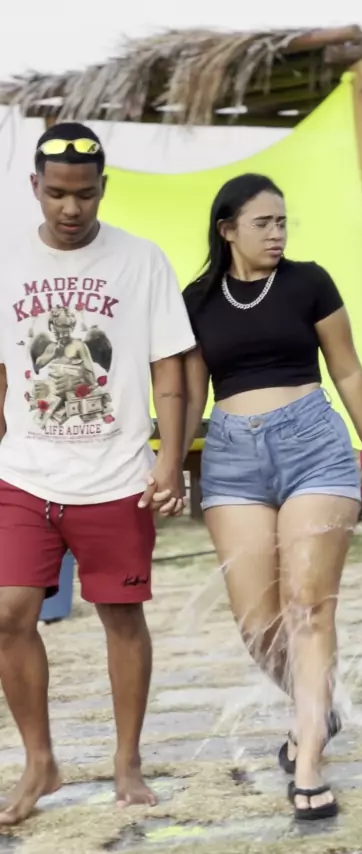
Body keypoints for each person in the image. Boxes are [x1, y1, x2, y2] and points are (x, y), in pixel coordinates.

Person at [0, 122, 195, 824]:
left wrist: (170, 459)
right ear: (35, 187)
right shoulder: (6, 258)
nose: (71, 208)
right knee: (7, 613)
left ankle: (127, 760)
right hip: (25, 474)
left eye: (84, 194)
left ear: (102, 189)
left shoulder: (142, 260)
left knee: (121, 616)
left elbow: (168, 367)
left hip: (116, 475)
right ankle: (40, 760)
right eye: (57, 193)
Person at [177, 173, 362, 821]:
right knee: (257, 624)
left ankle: (310, 759)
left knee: (308, 606)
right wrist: (168, 465)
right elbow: (190, 394)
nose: (277, 234)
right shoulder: (196, 299)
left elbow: (346, 367)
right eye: (263, 223)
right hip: (231, 458)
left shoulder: (309, 282)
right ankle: (315, 704)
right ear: (227, 229)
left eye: (282, 222)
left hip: (313, 445)